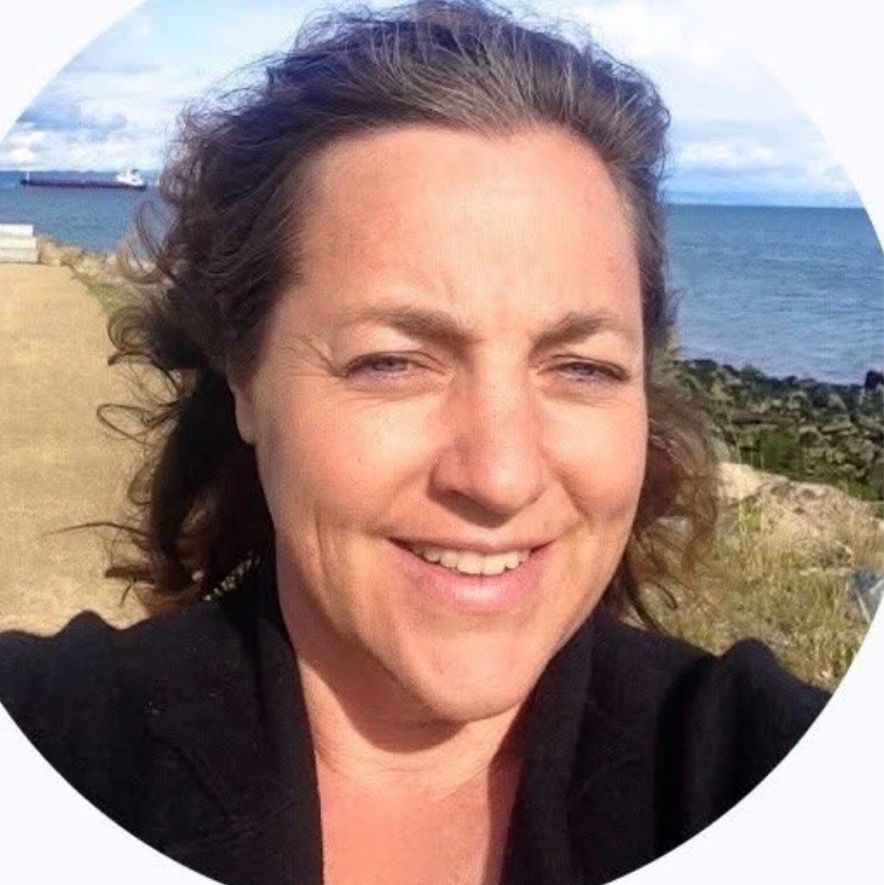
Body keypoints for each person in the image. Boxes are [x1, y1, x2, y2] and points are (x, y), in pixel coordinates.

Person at [0, 2, 827, 883]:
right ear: (245, 376)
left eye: (581, 366)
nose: (501, 476)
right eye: (393, 362)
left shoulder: (766, 768)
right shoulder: (58, 740)